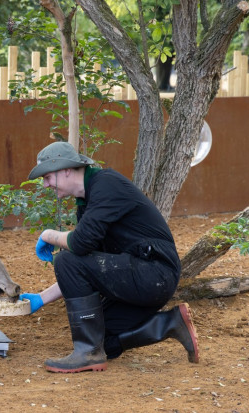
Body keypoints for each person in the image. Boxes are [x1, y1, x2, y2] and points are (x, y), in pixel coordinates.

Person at [20, 141, 199, 373]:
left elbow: (79, 245)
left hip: (154, 273)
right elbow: (90, 265)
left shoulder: (106, 185)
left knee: (66, 259)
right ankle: (170, 324)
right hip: (141, 277)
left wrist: (49, 235)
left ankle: (88, 354)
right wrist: (41, 299)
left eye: (46, 177)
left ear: (65, 169)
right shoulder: (87, 202)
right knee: (100, 336)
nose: (45, 185)